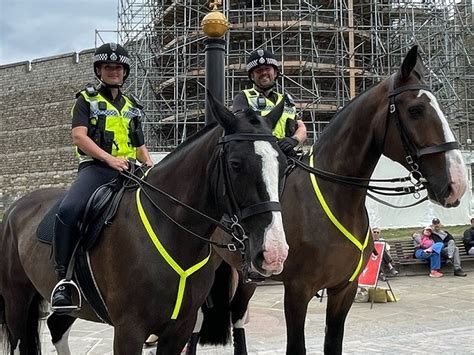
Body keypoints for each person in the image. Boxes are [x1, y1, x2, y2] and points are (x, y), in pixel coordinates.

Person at [51, 43, 154, 311]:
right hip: (96, 170)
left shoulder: (132, 106)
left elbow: (138, 143)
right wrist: (108, 159)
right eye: (108, 67)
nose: (113, 72)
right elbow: (79, 136)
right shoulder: (86, 100)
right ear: (99, 70)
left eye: (118, 67)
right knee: (69, 209)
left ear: (125, 72)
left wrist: (150, 163)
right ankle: (63, 280)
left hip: (130, 170)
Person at [232, 48, 307, 155]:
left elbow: (301, 127)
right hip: (258, 157)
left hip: (288, 156)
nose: (264, 73)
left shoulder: (287, 101)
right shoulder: (243, 97)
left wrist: (294, 140)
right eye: (258, 71)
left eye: (267, 69)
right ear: (252, 76)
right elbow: (240, 127)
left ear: (275, 73)